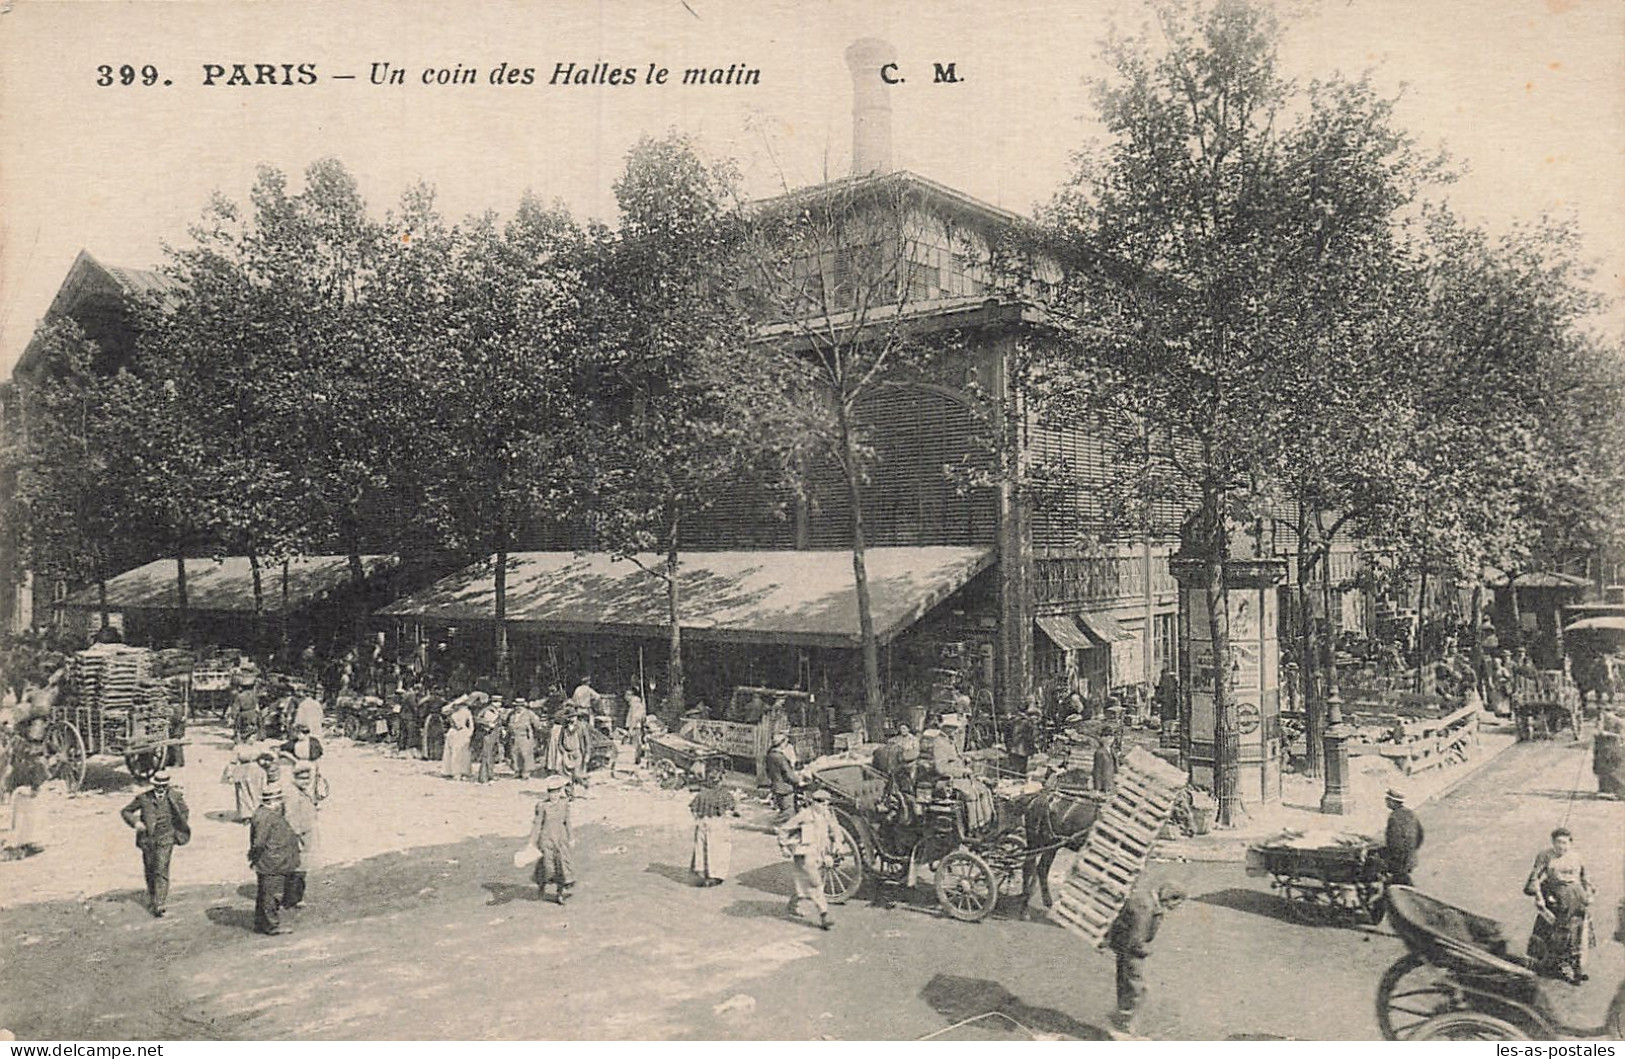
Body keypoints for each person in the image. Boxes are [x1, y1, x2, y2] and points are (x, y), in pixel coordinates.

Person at [1107, 882, 1187, 1035]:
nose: (1176, 907)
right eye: (1177, 902)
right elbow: (1137, 938)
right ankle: (1122, 1024)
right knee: (1137, 990)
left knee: (1128, 985)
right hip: (1131, 952)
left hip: (1125, 947)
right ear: (1170, 897)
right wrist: (1144, 951)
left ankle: (1121, 1021)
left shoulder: (1149, 902)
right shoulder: (1146, 907)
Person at [1524, 827, 1594, 982]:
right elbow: (1535, 877)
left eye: (1564, 842)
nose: (1561, 846)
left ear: (1570, 843)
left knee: (1576, 933)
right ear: (1553, 843)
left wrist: (1589, 893)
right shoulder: (1545, 855)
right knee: (1555, 932)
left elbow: (1585, 877)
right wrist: (1539, 898)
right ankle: (1550, 965)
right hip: (1554, 896)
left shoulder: (1577, 857)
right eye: (1557, 842)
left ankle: (1577, 968)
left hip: (1576, 897)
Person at [120, 770, 191, 918]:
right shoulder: (143, 798)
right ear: (154, 785)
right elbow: (126, 811)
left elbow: (184, 811)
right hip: (148, 839)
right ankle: (153, 897)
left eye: (163, 786)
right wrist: (136, 823)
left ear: (167, 786)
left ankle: (159, 903)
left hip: (166, 838)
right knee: (150, 869)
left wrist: (177, 827)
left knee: (161, 868)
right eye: (158, 786)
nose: (160, 789)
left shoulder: (175, 796)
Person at [779, 787, 840, 930]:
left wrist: (837, 843)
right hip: (805, 854)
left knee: (803, 884)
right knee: (815, 884)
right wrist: (783, 846)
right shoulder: (804, 815)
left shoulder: (827, 815)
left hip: (820, 853)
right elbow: (784, 829)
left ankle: (793, 905)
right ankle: (824, 915)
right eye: (820, 803)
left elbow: (835, 829)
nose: (823, 806)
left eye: (826, 803)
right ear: (813, 802)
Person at [248, 782, 301, 935]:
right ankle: (272, 925)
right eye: (279, 800)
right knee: (272, 894)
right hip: (272, 862)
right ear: (271, 801)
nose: (281, 803)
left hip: (271, 861)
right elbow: (259, 842)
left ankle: (261, 924)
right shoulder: (267, 817)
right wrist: (255, 857)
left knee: (265, 893)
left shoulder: (263, 814)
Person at [527, 774, 575, 903]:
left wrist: (571, 837)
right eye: (551, 793)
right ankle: (541, 886)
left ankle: (559, 894)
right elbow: (537, 824)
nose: (554, 796)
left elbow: (567, 822)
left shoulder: (564, 804)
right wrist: (532, 841)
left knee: (562, 867)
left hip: (561, 840)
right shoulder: (542, 806)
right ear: (547, 793)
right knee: (547, 867)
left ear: (560, 792)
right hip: (546, 841)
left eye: (556, 792)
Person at [6, 715, 48, 859]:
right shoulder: (21, 745)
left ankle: (24, 842)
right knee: (19, 813)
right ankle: (13, 847)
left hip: (24, 781)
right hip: (20, 781)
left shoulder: (21, 743)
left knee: (28, 812)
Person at [688, 764, 737, 886]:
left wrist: (699, 817)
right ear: (720, 779)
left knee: (701, 848)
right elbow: (731, 809)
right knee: (718, 849)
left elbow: (693, 809)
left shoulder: (701, 794)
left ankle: (702, 873)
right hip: (718, 823)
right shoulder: (724, 794)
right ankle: (715, 875)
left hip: (702, 822)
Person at [283, 764, 321, 909]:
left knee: (301, 867)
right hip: (298, 837)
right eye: (302, 779)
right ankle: (292, 899)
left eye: (307, 779)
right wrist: (295, 838)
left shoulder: (302, 791)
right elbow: (291, 817)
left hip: (306, 835)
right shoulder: (292, 794)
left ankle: (295, 897)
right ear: (295, 778)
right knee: (296, 869)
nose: (306, 782)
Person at [1382, 788, 1425, 886]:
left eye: (1387, 800)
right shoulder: (1410, 813)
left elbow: (1394, 842)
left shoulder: (1394, 817)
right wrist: (1412, 850)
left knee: (1397, 885)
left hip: (1399, 861)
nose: (1386, 803)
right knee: (1403, 882)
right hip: (1410, 857)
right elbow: (1420, 835)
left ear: (1393, 802)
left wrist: (1392, 859)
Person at [222, 745, 267, 822]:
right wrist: (230, 773)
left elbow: (265, 757)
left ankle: (257, 813)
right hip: (243, 770)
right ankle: (246, 815)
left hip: (256, 770)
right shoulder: (238, 748)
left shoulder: (258, 746)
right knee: (243, 793)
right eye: (251, 737)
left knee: (257, 792)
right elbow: (233, 762)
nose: (253, 738)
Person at [765, 731, 801, 817]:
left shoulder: (770, 755)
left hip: (776, 787)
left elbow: (768, 772)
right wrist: (799, 780)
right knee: (788, 815)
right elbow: (789, 775)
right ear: (782, 743)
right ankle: (780, 829)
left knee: (783, 812)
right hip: (785, 789)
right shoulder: (780, 757)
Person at [507, 696, 543, 781]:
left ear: (523, 705)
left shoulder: (529, 713)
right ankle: (517, 771)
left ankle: (526, 773)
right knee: (515, 754)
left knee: (525, 754)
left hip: (525, 737)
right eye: (516, 705)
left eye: (520, 705)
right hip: (514, 736)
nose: (518, 707)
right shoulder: (512, 714)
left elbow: (537, 724)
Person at [442, 696, 474, 781]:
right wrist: (453, 703)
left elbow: (471, 724)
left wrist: (469, 733)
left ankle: (463, 772)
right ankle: (452, 772)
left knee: (462, 753)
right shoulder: (451, 711)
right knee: (452, 752)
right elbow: (444, 710)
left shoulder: (467, 712)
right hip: (453, 732)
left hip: (463, 732)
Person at [227, 675, 262, 744]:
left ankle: (241, 742)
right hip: (253, 714)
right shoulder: (254, 695)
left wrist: (233, 717)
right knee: (252, 729)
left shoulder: (240, 696)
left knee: (240, 730)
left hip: (243, 714)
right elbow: (257, 706)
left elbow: (236, 708)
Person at [474, 696, 501, 784]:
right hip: (488, 734)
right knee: (487, 755)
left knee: (492, 755)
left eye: (499, 702)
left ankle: (490, 775)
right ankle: (483, 778)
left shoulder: (496, 710)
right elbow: (477, 719)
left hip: (494, 735)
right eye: (497, 701)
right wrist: (488, 724)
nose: (499, 703)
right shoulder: (488, 710)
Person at [1007, 706, 1039, 778]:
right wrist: (1032, 749)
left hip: (1013, 748)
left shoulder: (1012, 720)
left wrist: (1008, 746)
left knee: (1013, 768)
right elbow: (1030, 738)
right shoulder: (1027, 723)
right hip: (1023, 749)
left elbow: (1007, 735)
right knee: (1022, 770)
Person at [623, 686, 648, 766]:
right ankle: (637, 760)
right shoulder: (637, 704)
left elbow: (635, 717)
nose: (625, 698)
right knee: (637, 743)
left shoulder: (634, 704)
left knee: (635, 744)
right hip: (637, 726)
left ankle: (634, 761)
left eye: (626, 696)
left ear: (629, 695)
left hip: (635, 727)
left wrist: (630, 728)